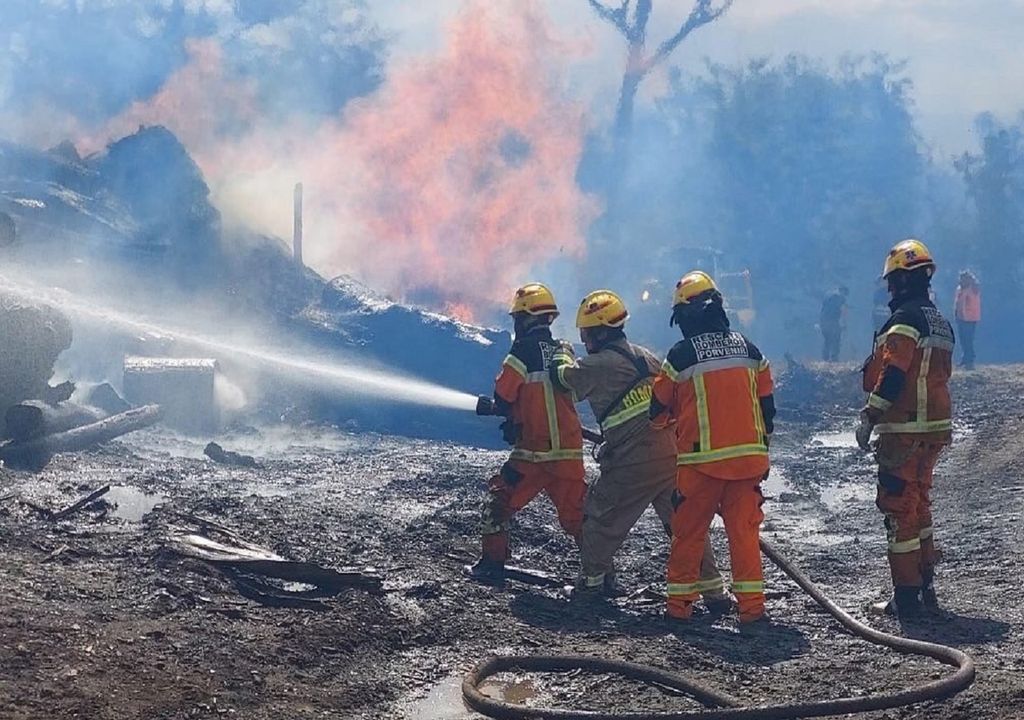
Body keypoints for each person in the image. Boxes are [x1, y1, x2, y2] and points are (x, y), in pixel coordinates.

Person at [549, 290, 725, 605]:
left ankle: (591, 585)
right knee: (685, 525)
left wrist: (561, 352)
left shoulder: (598, 364)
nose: (584, 339)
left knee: (600, 516)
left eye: (586, 333)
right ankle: (714, 591)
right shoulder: (646, 356)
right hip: (671, 455)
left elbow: (563, 381)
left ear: (601, 331)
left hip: (633, 461)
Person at [650, 271, 776, 626]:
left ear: (687, 316)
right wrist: (761, 450)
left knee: (688, 534)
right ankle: (753, 611)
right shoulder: (752, 351)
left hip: (700, 465)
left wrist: (675, 416)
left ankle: (679, 610)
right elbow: (768, 409)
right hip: (749, 463)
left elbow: (656, 411)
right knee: (745, 536)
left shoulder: (680, 356)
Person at [856, 239, 954, 620]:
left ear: (898, 281)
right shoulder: (940, 322)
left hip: (904, 429)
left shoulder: (903, 323)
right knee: (920, 505)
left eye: (891, 282)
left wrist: (870, 416)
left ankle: (906, 598)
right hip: (935, 430)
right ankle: (926, 587)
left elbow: (893, 374)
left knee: (899, 510)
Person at [466, 283, 586, 583]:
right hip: (569, 454)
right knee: (579, 518)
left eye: (517, 319)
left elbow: (505, 393)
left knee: (498, 501)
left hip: (533, 454)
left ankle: (492, 565)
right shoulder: (563, 351)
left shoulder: (522, 350)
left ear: (526, 319)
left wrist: (502, 411)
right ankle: (600, 577)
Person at [953, 270, 981, 370]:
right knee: (963, 340)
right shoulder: (960, 289)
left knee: (968, 339)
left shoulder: (973, 288)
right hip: (961, 317)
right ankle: (966, 358)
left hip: (970, 318)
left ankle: (969, 360)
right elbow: (958, 302)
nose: (960, 280)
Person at [819, 285, 849, 361]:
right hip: (833, 321)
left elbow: (822, 308)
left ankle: (825, 358)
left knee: (827, 339)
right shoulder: (841, 298)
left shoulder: (827, 295)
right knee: (836, 339)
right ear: (842, 291)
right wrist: (844, 323)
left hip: (824, 320)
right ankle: (834, 358)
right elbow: (843, 311)